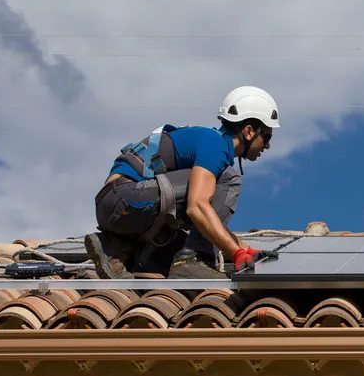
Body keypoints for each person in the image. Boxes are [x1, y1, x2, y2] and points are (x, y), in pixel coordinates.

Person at [84, 85, 279, 279]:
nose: (268, 145)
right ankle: (194, 260)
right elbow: (197, 207)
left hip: (115, 207)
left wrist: (246, 249)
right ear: (248, 131)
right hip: (127, 199)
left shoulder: (210, 143)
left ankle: (115, 250)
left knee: (173, 258)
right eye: (267, 136)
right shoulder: (216, 145)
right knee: (228, 178)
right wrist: (235, 253)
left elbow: (209, 220)